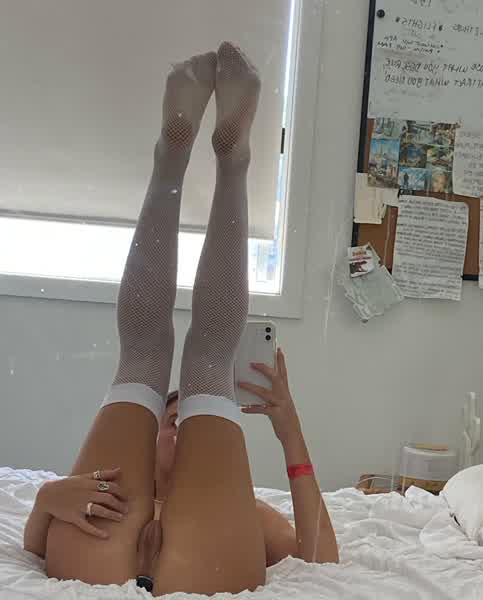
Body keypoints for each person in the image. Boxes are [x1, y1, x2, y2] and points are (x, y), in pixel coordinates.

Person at [23, 43, 338, 596]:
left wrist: (290, 432)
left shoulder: (243, 506)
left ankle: (175, 157)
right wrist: (48, 498)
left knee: (147, 353)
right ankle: (231, 163)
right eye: (173, 418)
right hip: (195, 557)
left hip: (112, 545)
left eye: (182, 418)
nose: (179, 426)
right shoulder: (230, 503)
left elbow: (319, 558)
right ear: (144, 440)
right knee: (207, 364)